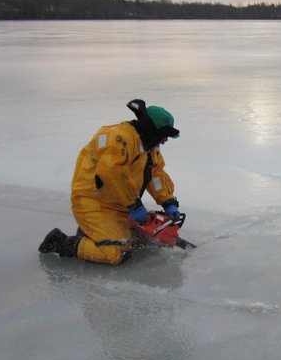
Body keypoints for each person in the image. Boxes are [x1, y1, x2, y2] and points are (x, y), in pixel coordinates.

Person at [38, 99, 183, 265]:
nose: (165, 140)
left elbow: (156, 174)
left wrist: (167, 201)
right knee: (114, 253)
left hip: (120, 204)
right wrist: (134, 205)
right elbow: (112, 173)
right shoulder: (117, 137)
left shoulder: (150, 147)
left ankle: (95, 233)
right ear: (153, 130)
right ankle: (61, 242)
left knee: (142, 242)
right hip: (94, 203)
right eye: (165, 135)